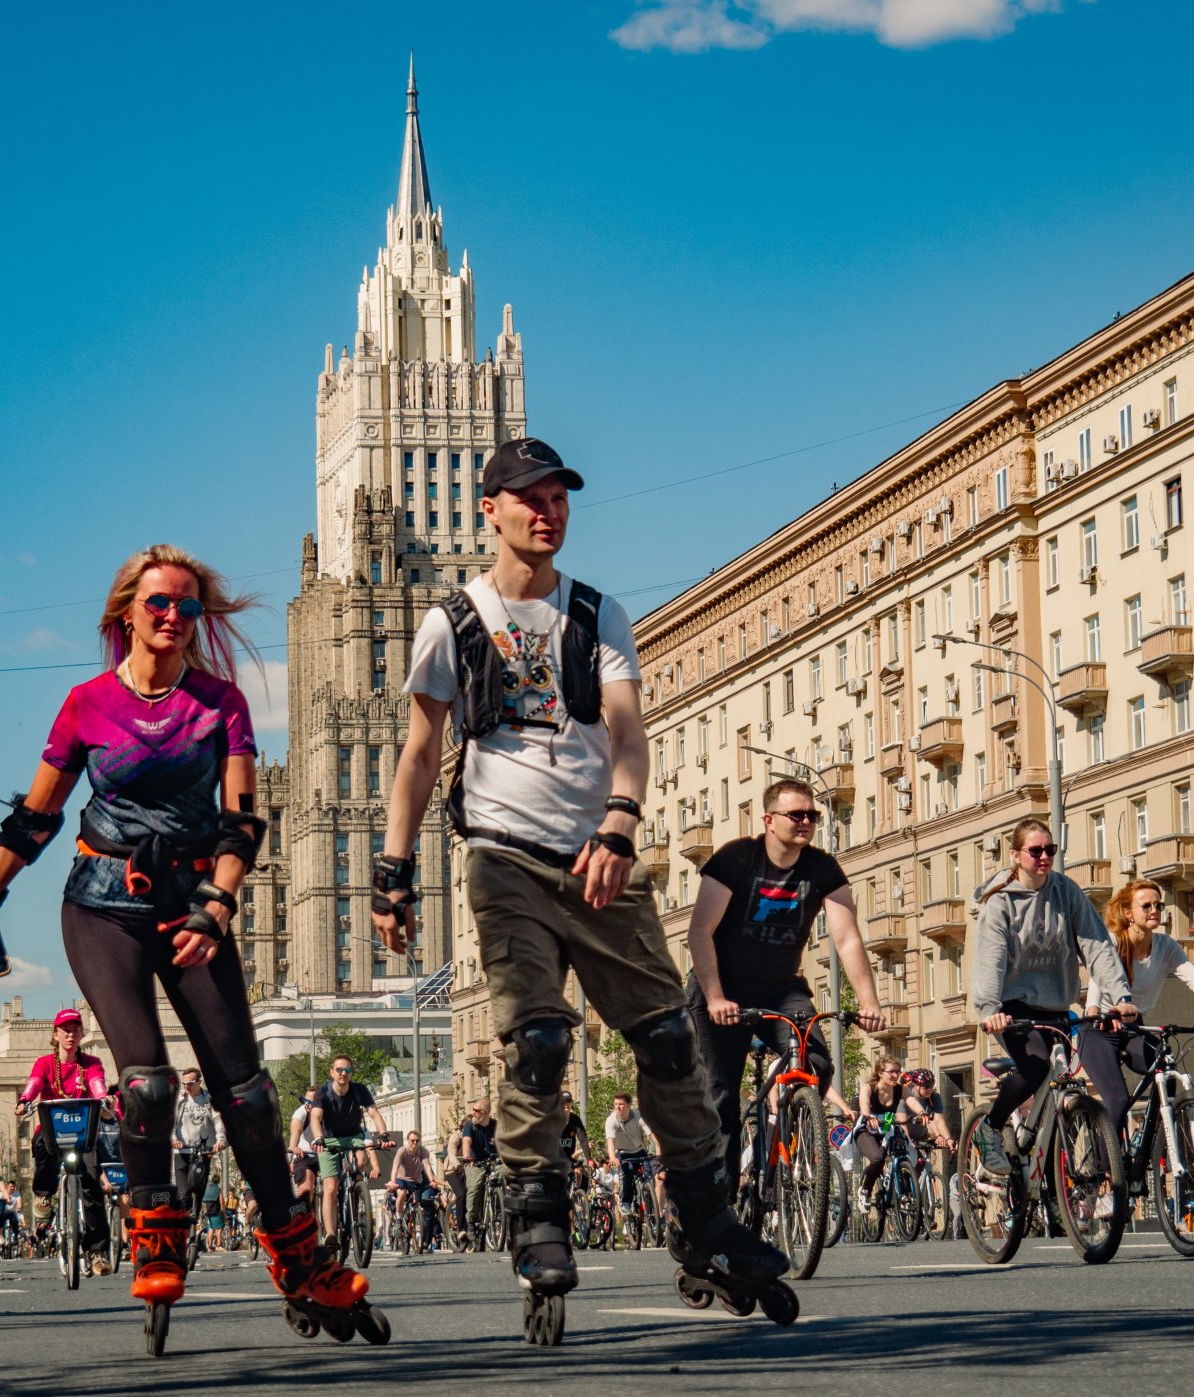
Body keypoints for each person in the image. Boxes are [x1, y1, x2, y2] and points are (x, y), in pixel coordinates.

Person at [372, 437, 787, 1316]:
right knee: (538, 1039)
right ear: (490, 509)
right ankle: (537, 1213)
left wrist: (621, 824)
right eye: (529, 496)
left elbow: (630, 735)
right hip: (504, 859)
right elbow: (418, 754)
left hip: (601, 860)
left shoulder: (598, 615)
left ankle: (704, 1217)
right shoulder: (453, 621)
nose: (547, 510)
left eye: (558, 496)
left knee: (670, 1042)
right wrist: (394, 871)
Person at [0, 544, 371, 1324]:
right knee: (145, 1082)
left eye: (186, 606)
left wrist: (217, 904)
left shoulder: (219, 702)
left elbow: (244, 820)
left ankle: (298, 1253)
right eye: (158, 604)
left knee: (246, 1092)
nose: (173, 616)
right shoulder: (86, 704)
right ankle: (155, 1236)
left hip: (190, 903)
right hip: (102, 903)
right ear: (126, 615)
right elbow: (36, 816)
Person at [686, 776, 886, 1188]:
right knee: (719, 1096)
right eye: (796, 814)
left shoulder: (822, 868)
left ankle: (785, 1128)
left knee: (818, 1062)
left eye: (812, 815)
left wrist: (870, 1002)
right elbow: (699, 931)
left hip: (780, 989)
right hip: (721, 990)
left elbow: (846, 938)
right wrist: (716, 996)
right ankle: (715, 1199)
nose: (806, 822)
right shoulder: (736, 859)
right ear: (769, 819)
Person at [969, 818, 1138, 1176]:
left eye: (1050, 849)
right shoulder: (999, 902)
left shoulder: (1066, 891)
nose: (1044, 856)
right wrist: (990, 1009)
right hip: (1011, 1006)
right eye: (1035, 851)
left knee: (1063, 1083)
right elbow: (990, 958)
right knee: (1035, 1067)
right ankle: (990, 1129)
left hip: (1057, 1003)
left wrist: (1120, 996)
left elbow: (1097, 947)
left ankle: (1048, 1181)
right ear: (1016, 855)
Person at [1081, 880, 1194, 1133]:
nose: (1154, 910)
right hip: (1099, 1028)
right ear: (1128, 913)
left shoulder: (1166, 946)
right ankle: (1107, 1166)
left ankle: (1152, 1139)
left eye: (1158, 905)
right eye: (1146, 906)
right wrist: (1093, 1012)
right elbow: (1098, 980)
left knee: (1166, 1068)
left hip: (1134, 1027)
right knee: (1118, 1099)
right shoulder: (1111, 941)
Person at [16, 1007, 111, 1266]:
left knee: (92, 1184)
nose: (70, 1034)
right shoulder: (45, 1063)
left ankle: (97, 1251)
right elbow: (35, 1083)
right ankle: (44, 1193)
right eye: (65, 1030)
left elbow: (96, 1084)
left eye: (75, 1030)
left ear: (81, 1034)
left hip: (83, 1135)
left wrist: (104, 1099)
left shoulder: (90, 1064)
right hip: (52, 1132)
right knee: (43, 1147)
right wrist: (25, 1100)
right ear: (55, 1034)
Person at [307, 1055, 387, 1244]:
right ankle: (331, 1233)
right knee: (330, 1188)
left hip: (353, 1136)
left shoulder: (359, 1090)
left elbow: (373, 1112)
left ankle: (356, 1192)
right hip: (329, 1139)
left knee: (360, 1161)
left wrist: (383, 1135)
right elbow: (315, 1117)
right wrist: (318, 1137)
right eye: (339, 1070)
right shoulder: (323, 1092)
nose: (344, 1074)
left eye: (348, 1070)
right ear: (332, 1072)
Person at [603, 1093, 664, 1222]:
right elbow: (610, 1142)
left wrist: (658, 1147)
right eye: (615, 1104)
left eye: (621, 1104)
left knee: (649, 1177)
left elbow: (651, 1134)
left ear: (629, 1105)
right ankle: (625, 1203)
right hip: (622, 1152)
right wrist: (613, 1157)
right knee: (627, 1175)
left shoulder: (637, 1116)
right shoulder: (611, 1120)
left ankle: (650, 1206)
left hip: (639, 1150)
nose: (617, 1107)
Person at [173, 1067, 223, 1221]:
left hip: (203, 1152)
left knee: (199, 1191)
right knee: (184, 1194)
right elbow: (170, 1123)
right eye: (184, 1083)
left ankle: (194, 1221)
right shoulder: (179, 1100)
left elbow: (218, 1119)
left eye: (191, 1083)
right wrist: (174, 1140)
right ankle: (182, 1225)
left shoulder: (208, 1099)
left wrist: (220, 1140)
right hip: (182, 1152)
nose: (187, 1087)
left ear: (199, 1082)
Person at [853, 1056, 910, 1184]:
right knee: (877, 1158)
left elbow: (912, 1100)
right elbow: (864, 1104)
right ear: (880, 1073)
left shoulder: (899, 1089)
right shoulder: (869, 1087)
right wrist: (868, 1116)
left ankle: (891, 1191)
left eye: (898, 1071)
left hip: (886, 1126)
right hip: (866, 1129)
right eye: (891, 1072)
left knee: (901, 1154)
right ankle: (865, 1190)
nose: (895, 1075)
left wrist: (922, 1113)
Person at [387, 1131, 441, 1249]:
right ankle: (399, 1217)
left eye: (417, 1141)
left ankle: (415, 1219)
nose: (415, 1143)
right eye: (412, 1141)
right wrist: (393, 1182)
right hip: (402, 1179)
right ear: (408, 1140)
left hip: (416, 1181)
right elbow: (395, 1167)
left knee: (418, 1203)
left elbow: (427, 1166)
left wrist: (431, 1180)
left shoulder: (423, 1151)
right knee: (401, 1194)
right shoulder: (402, 1151)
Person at [457, 1100, 499, 1248]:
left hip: (493, 1162)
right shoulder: (470, 1126)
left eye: (477, 1110)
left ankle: (503, 1211)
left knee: (508, 1176)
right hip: (475, 1162)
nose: (473, 1113)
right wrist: (467, 1156)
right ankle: (470, 1222)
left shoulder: (496, 1125)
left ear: (486, 1112)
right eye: (473, 1110)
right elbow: (466, 1141)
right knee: (474, 1187)